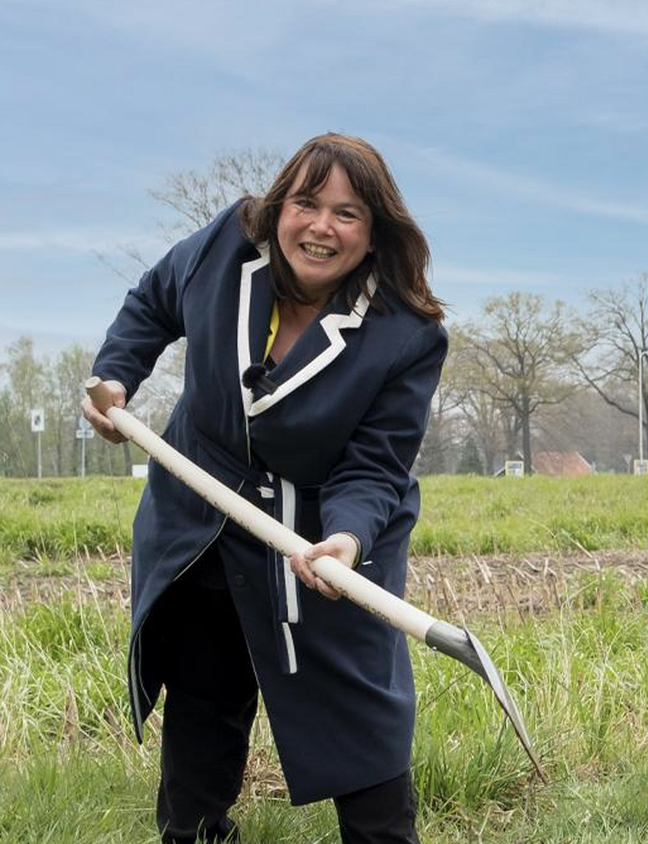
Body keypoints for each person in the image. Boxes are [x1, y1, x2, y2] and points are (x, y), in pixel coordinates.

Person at [82, 133, 447, 844]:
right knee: (204, 691)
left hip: (323, 533)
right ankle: (194, 833)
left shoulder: (406, 335)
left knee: (360, 712)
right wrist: (119, 375)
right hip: (202, 513)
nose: (320, 226)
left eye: (346, 214)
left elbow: (374, 466)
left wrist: (344, 538)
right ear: (279, 208)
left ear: (374, 235)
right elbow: (154, 301)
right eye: (306, 204)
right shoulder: (227, 246)